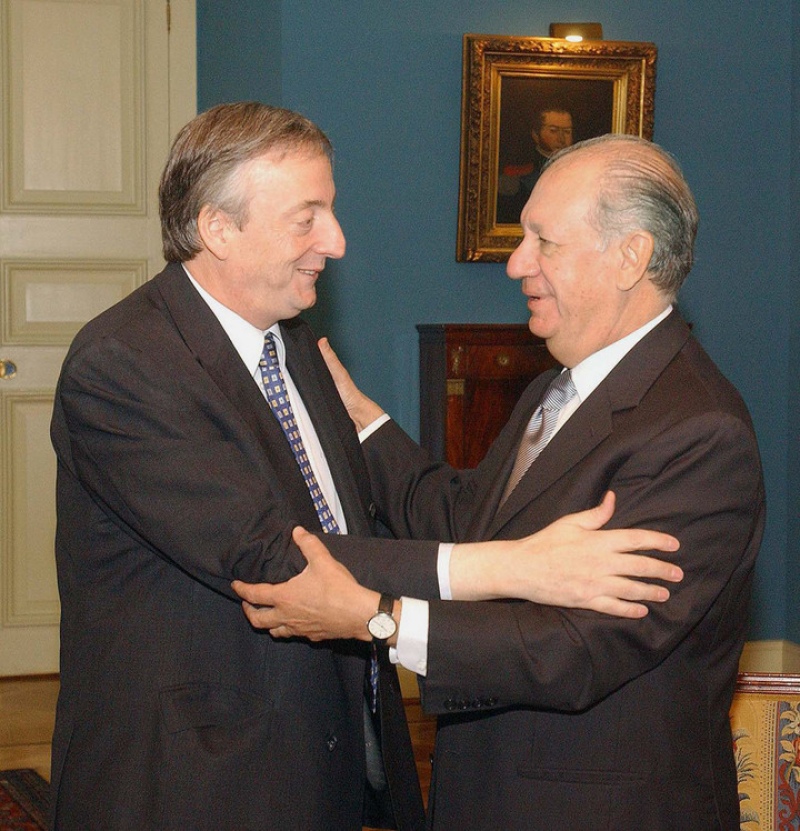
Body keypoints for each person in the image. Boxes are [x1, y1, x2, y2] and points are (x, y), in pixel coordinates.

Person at [49, 105, 682, 831]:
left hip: (319, 766)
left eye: (332, 210)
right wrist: (518, 567)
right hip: (190, 782)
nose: (337, 241)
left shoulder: (291, 340)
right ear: (217, 227)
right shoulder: (125, 363)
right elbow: (276, 556)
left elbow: (353, 519)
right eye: (307, 217)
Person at [234, 134, 765, 830]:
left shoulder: (698, 433)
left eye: (544, 241)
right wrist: (362, 421)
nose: (517, 263)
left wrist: (378, 617)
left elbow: (575, 650)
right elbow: (465, 523)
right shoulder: (556, 387)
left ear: (630, 257)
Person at [496, 106, 573, 224]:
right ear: (536, 135)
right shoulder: (519, 171)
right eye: (553, 131)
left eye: (567, 132)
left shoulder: (579, 169)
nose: (561, 139)